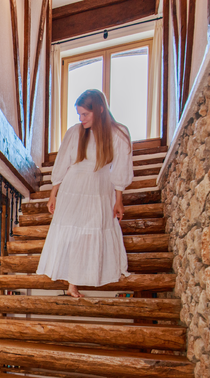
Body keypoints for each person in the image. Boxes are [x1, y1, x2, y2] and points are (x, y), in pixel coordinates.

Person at [36, 89, 133, 298]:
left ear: (99, 109)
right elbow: (63, 163)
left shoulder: (119, 134)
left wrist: (118, 201)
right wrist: (53, 194)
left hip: (99, 188)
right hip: (73, 188)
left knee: (91, 231)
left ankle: (91, 274)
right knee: (73, 235)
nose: (81, 119)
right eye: (79, 114)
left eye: (85, 114)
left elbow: (121, 170)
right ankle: (72, 284)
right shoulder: (75, 132)